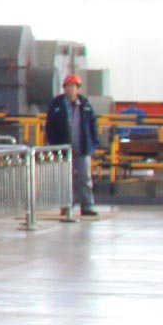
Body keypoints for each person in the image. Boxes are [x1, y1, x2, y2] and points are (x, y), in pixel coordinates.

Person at [46, 71, 102, 219]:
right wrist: (54, 146)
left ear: (78, 88)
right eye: (68, 86)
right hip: (64, 149)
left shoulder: (85, 105)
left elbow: (93, 125)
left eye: (73, 86)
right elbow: (50, 126)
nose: (70, 89)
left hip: (82, 148)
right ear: (64, 88)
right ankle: (66, 206)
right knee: (65, 179)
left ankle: (87, 206)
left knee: (84, 178)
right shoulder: (57, 105)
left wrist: (93, 143)